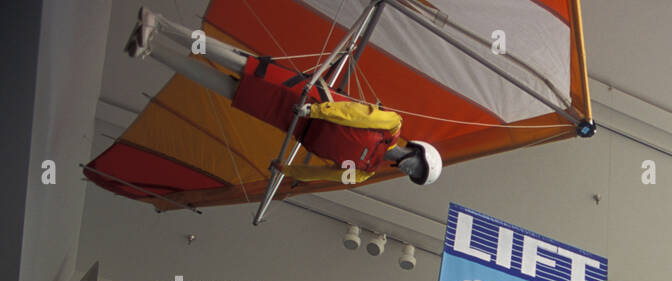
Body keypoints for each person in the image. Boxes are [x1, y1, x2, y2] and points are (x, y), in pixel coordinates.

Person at [125, 7, 441, 186]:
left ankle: (149, 47)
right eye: (418, 167)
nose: (411, 171)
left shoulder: (362, 172)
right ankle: (160, 24)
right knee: (236, 62)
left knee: (227, 88)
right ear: (418, 152)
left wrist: (287, 170)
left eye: (416, 176)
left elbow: (324, 174)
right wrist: (314, 111)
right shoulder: (391, 126)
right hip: (306, 96)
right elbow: (355, 115)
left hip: (288, 118)